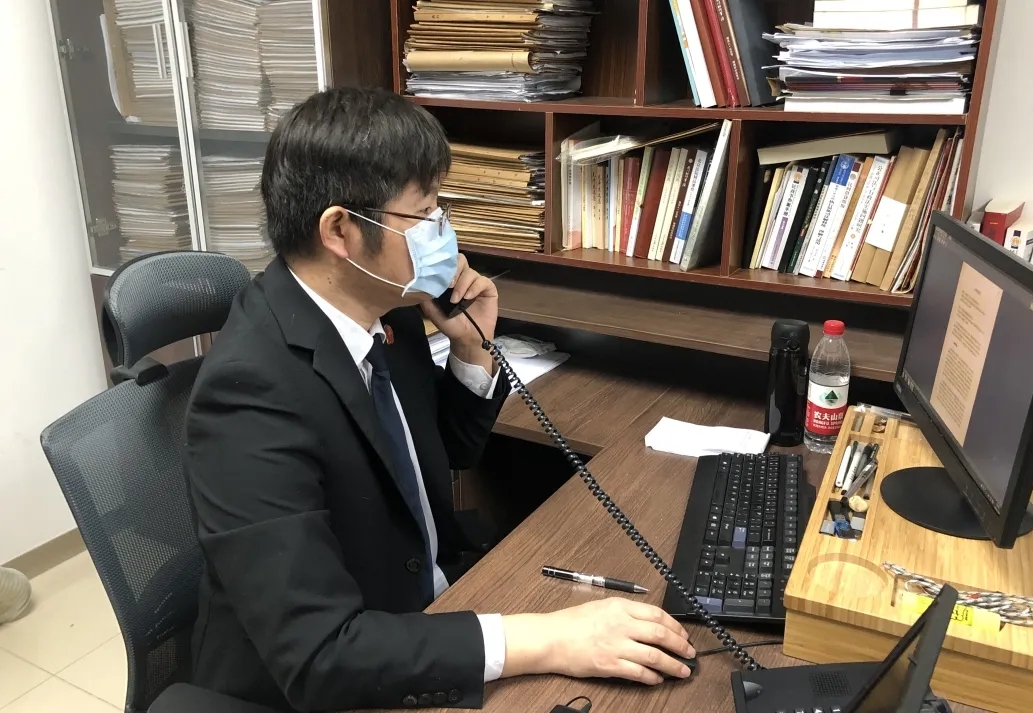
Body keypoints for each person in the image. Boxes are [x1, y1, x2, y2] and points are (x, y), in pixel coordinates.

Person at [183, 87, 696, 713]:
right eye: (423, 212)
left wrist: (472, 346)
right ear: (340, 230)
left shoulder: (382, 309)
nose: (443, 230)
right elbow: (320, 656)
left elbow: (442, 454)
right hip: (333, 679)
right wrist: (547, 639)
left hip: (425, 606)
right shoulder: (247, 397)